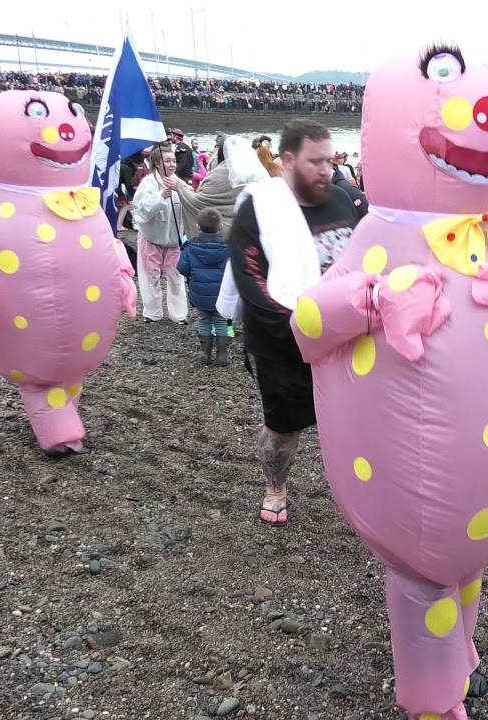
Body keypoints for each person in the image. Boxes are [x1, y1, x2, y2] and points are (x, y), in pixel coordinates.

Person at [228, 119, 359, 526]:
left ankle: (360, 491)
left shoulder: (344, 199)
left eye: (330, 159)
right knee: (284, 428)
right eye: (315, 161)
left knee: (359, 422)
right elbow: (252, 283)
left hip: (349, 338)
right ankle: (275, 488)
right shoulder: (259, 208)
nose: (327, 168)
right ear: (287, 159)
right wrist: (305, 330)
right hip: (282, 342)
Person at [131, 144, 190, 324]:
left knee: (177, 277)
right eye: (168, 161)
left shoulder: (178, 182)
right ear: (157, 163)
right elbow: (142, 210)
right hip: (151, 238)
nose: (172, 164)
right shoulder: (148, 183)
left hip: (173, 240)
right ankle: (153, 312)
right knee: (150, 277)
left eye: (174, 161)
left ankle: (179, 314)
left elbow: (191, 204)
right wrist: (161, 197)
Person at [177, 208, 232, 366]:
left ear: (198, 226)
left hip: (199, 294)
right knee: (222, 321)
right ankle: (222, 356)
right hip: (221, 294)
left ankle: (205, 355)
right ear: (220, 227)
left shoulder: (190, 248)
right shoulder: (228, 248)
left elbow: (182, 269)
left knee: (204, 321)